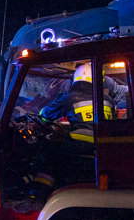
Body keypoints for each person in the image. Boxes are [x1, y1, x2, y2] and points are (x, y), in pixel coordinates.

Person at [30, 62, 117, 201]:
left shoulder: (71, 97)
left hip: (80, 145)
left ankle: (39, 193)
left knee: (47, 149)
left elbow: (44, 115)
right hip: (101, 147)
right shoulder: (107, 99)